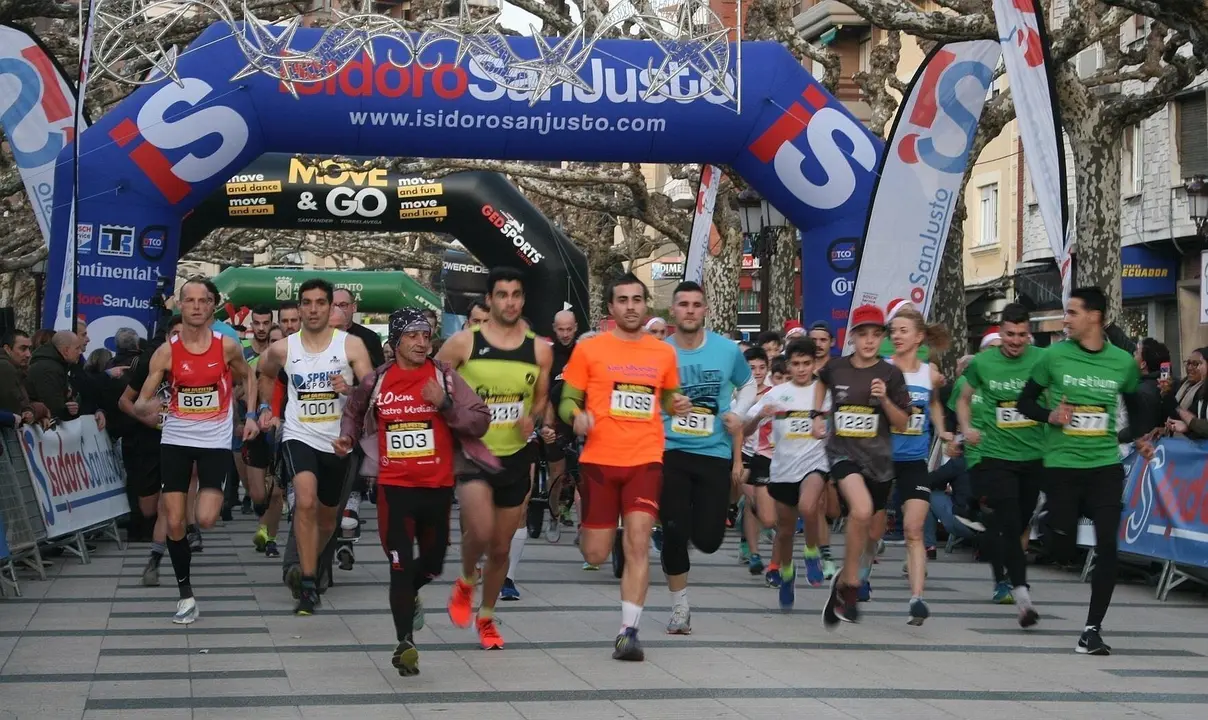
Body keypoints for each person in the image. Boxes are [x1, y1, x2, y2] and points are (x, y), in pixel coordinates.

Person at [334, 308, 492, 676]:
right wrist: (347, 438)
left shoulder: (444, 377)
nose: (423, 342)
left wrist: (446, 405)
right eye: (413, 336)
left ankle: (412, 593)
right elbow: (355, 413)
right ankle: (405, 643)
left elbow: (480, 420)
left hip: (437, 488)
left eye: (427, 335)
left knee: (434, 563)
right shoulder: (376, 380)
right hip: (394, 489)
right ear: (395, 341)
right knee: (399, 567)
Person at [558, 273, 689, 661]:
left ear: (645, 304)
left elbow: (667, 396)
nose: (631, 306)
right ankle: (602, 530)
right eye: (623, 300)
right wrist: (575, 416)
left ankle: (628, 632)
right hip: (599, 460)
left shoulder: (663, 352)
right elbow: (568, 398)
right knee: (596, 554)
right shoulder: (590, 350)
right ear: (611, 308)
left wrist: (676, 403)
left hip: (645, 459)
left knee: (638, 544)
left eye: (637, 299)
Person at [1016, 287, 1153, 655]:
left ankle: (1092, 630)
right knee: (1061, 548)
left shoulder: (1121, 362)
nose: (1066, 320)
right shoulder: (1053, 357)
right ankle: (1048, 523)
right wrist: (1051, 415)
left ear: (1094, 317)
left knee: (1109, 545)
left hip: (1104, 466)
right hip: (1062, 466)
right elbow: (1024, 401)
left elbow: (1135, 403)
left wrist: (1138, 437)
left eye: (1072, 313)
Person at [436, 267, 551, 648]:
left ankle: (486, 618)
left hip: (516, 455)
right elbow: (433, 385)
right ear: (490, 299)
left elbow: (540, 398)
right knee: (480, 531)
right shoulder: (462, 343)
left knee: (501, 548)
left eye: (516, 295)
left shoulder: (539, 350)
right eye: (502, 295)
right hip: (473, 454)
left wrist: (531, 419)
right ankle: (467, 579)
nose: (510, 302)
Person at [132, 278, 259, 623]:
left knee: (204, 518)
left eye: (204, 300)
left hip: (214, 440)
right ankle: (185, 594)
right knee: (173, 519)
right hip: (175, 439)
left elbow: (249, 378)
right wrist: (154, 405)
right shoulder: (166, 352)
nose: (197, 306)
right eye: (190, 300)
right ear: (180, 306)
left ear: (212, 306)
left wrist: (249, 415)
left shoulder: (226, 346)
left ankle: (189, 554)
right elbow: (141, 401)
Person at [256, 279, 374, 615]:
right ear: (299, 306)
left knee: (326, 522)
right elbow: (263, 372)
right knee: (304, 501)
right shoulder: (284, 348)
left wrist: (348, 390)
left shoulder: (351, 346)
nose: (312, 309)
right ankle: (308, 585)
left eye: (320, 302)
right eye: (306, 303)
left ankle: (314, 562)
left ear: (330, 307)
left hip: (338, 441)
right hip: (299, 434)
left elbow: (370, 392)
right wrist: (265, 409)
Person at [659, 281, 753, 634]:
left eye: (696, 304)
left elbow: (748, 384)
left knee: (710, 540)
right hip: (672, 450)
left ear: (705, 311)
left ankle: (690, 529)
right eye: (683, 304)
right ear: (673, 311)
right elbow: (649, 396)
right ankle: (679, 607)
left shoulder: (726, 351)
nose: (689, 310)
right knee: (673, 530)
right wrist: (667, 404)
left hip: (714, 452)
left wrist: (740, 414)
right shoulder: (660, 352)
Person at [812, 304, 910, 627]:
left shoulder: (891, 374)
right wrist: (817, 415)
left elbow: (903, 423)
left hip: (879, 462)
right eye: (862, 334)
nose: (869, 341)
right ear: (852, 337)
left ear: (881, 338)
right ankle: (851, 584)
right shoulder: (837, 368)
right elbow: (820, 381)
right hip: (842, 453)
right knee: (862, 509)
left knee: (873, 532)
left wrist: (884, 400)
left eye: (875, 335)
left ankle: (842, 581)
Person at [958, 304, 1044, 618]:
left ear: (1029, 335)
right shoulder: (982, 363)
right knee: (1008, 520)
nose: (1016, 341)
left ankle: (1013, 575)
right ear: (1001, 331)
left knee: (1021, 522)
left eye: (1022, 335)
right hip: (996, 456)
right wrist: (966, 428)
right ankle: (1021, 595)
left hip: (1034, 456)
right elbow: (963, 399)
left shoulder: (1042, 359)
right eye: (1010, 334)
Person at [743, 338, 830, 610]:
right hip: (782, 470)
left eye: (807, 363)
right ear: (787, 365)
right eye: (796, 364)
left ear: (815, 364)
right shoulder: (776, 394)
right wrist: (759, 417)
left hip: (815, 463)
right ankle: (788, 573)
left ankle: (813, 553)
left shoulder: (824, 392)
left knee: (809, 506)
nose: (802, 369)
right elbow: (745, 430)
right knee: (784, 532)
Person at [885, 306, 950, 625]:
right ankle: (860, 580)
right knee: (871, 531)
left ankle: (917, 599)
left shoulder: (929, 373)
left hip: (914, 461)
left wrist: (942, 430)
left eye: (903, 331)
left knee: (913, 529)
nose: (896, 336)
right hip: (880, 458)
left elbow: (935, 403)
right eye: (893, 331)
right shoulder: (883, 369)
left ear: (919, 337)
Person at [122, 315, 183, 585]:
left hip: (181, 441)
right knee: (149, 507)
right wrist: (145, 417)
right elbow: (124, 401)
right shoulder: (151, 361)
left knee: (167, 506)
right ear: (169, 336)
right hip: (149, 440)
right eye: (177, 334)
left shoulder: (201, 363)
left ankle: (155, 560)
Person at [737, 346, 775, 575]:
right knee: (752, 502)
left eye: (762, 367)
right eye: (752, 368)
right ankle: (753, 554)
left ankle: (755, 541)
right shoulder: (737, 393)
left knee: (760, 508)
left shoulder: (775, 393)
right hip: (742, 454)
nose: (758, 372)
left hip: (764, 453)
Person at [806, 321, 839, 577]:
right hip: (805, 445)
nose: (818, 345)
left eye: (823, 340)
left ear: (832, 343)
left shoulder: (839, 370)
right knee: (815, 505)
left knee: (832, 509)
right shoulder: (801, 369)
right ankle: (823, 554)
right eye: (813, 340)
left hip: (835, 445)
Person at [26, 331, 86, 423]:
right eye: (77, 348)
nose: (80, 352)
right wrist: (68, 411)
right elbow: (53, 407)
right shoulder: (49, 369)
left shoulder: (55, 365)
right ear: (66, 350)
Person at [333, 288, 387, 368]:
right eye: (333, 305)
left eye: (343, 305)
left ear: (354, 307)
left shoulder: (370, 338)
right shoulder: (317, 337)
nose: (338, 309)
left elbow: (378, 372)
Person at [0, 330, 37, 421]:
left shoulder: (16, 368)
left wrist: (29, 410)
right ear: (7, 349)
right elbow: (14, 407)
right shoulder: (5, 367)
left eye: (29, 349)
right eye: (23, 349)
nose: (28, 354)